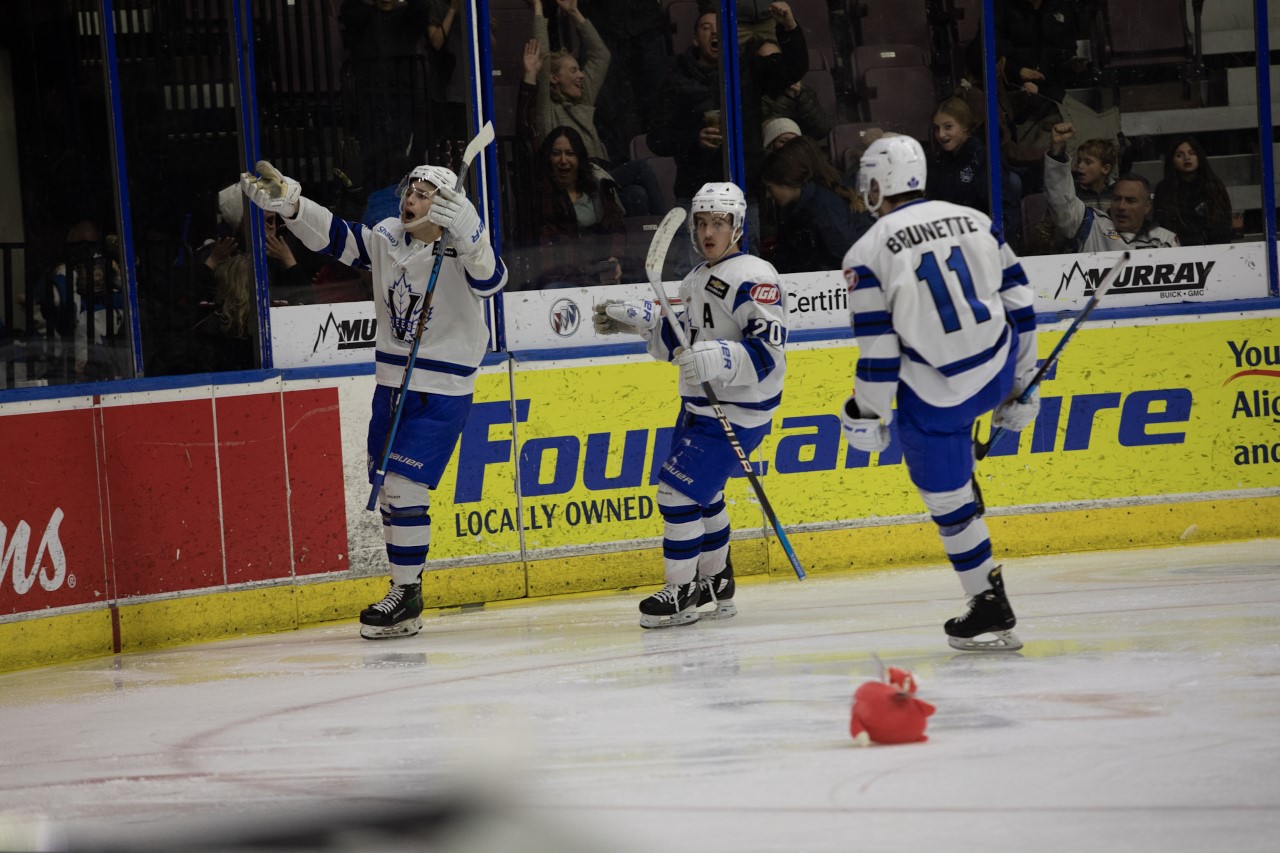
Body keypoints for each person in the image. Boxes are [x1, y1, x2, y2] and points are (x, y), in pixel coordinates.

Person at [241, 158, 507, 640]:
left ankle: (407, 594)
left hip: (443, 388)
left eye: (425, 194)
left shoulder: (463, 245)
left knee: (405, 487)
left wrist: (471, 231)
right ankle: (404, 590)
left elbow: (492, 280)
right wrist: (295, 206)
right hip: (392, 383)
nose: (411, 199)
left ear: (446, 206)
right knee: (388, 491)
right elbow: (337, 238)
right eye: (411, 190)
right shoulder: (387, 236)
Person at [839, 135, 1038, 651]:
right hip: (994, 372)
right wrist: (1022, 384)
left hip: (939, 399)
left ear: (877, 183)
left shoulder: (865, 252)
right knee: (953, 467)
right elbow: (1020, 302)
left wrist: (868, 416)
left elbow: (880, 353)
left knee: (946, 497)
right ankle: (964, 479)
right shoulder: (975, 219)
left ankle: (989, 602)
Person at [591, 182, 787, 628]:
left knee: (675, 494)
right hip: (700, 407)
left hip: (737, 411)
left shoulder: (754, 276)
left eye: (718, 222)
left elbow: (768, 352)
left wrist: (719, 357)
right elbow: (685, 340)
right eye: (701, 223)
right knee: (704, 494)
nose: (707, 231)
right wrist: (642, 323)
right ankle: (717, 581)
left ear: (736, 225)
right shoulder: (698, 276)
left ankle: (681, 592)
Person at [648, 4, 806, 206]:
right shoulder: (677, 79)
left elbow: (795, 69)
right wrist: (693, 139)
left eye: (720, 27)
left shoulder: (748, 70)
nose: (714, 31)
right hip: (696, 193)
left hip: (744, 190)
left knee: (746, 238)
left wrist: (789, 27)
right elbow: (656, 138)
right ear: (695, 39)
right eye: (706, 27)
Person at [527, 0, 664, 216]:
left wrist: (574, 12)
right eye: (573, 71)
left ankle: (636, 247)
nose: (581, 75)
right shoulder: (548, 109)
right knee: (642, 168)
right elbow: (542, 58)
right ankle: (671, 234)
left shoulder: (584, 99)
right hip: (577, 180)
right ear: (553, 78)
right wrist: (538, 7)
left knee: (637, 195)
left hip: (601, 177)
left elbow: (601, 55)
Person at [1045, 122, 1179, 252]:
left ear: (1147, 206)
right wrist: (1057, 151)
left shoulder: (1165, 240)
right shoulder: (1091, 224)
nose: (1121, 207)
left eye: (1130, 201)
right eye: (1116, 199)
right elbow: (1060, 201)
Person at [527, 126, 626, 287]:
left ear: (580, 158)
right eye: (556, 153)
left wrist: (615, 258)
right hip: (561, 280)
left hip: (600, 275)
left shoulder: (597, 188)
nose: (563, 160)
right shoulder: (542, 196)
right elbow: (547, 247)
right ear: (548, 158)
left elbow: (616, 227)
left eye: (570, 153)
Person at [760, 137, 867, 272]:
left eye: (770, 188)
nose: (768, 195)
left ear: (786, 180)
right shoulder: (797, 208)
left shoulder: (823, 207)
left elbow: (847, 255)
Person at [1154, 135, 1233, 246]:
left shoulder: (1214, 186)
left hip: (1214, 248)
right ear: (1171, 161)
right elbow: (1162, 225)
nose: (1187, 158)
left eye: (1192, 153)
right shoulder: (1164, 189)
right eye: (1179, 155)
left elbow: (1225, 222)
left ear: (1199, 156)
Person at [927, 97, 989, 213]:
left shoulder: (982, 158)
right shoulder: (937, 161)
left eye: (948, 127)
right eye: (936, 128)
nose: (941, 134)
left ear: (965, 125)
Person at [1072, 136, 1118, 214]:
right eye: (1079, 161)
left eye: (1088, 162)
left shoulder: (1117, 191)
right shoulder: (1073, 192)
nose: (1080, 166)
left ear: (1105, 169)